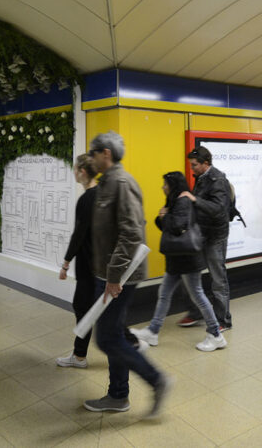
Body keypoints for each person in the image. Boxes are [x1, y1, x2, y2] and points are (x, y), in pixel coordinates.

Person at [82, 131, 170, 419]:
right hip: (107, 274)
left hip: (119, 276)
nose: (90, 159)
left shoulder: (121, 182)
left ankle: (156, 380)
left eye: (93, 153)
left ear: (105, 154)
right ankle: (118, 395)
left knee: (107, 339)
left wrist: (114, 277)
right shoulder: (107, 183)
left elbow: (132, 233)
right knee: (114, 333)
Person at [132, 172, 227, 352]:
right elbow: (168, 227)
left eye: (165, 184)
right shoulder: (174, 200)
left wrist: (165, 216)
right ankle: (153, 331)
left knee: (197, 294)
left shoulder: (182, 201)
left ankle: (216, 335)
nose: (162, 187)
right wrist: (162, 217)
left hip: (187, 257)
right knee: (164, 293)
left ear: (173, 185)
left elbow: (178, 226)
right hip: (177, 257)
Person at [177, 145, 233, 331]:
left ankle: (223, 320)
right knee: (190, 272)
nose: (191, 169)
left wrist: (195, 200)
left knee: (218, 279)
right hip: (201, 233)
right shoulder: (201, 178)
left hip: (216, 235)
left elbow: (219, 209)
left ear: (205, 163)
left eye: (194, 165)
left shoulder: (217, 179)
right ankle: (195, 312)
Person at [56, 154, 99, 369]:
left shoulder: (86, 199)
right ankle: (79, 353)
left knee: (82, 307)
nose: (73, 172)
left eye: (75, 169)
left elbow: (79, 234)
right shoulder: (101, 194)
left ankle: (79, 356)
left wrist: (65, 263)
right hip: (99, 261)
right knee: (91, 307)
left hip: (88, 263)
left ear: (82, 171)